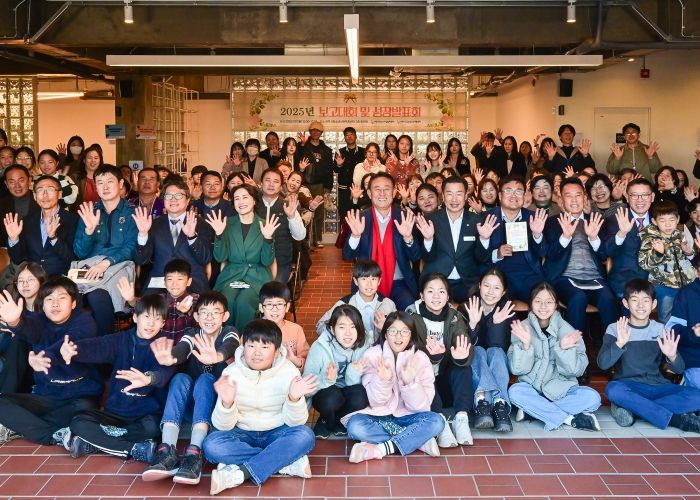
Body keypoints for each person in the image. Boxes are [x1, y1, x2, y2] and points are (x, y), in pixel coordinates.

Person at [35, 293, 173, 462]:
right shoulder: (121, 339)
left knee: (153, 428)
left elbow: (165, 371)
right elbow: (97, 346)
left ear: (163, 323)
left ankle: (95, 443)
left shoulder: (165, 345)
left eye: (157, 319)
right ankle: (134, 449)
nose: (151, 323)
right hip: (114, 413)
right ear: (135, 318)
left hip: (145, 414)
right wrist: (74, 350)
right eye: (146, 317)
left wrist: (149, 379)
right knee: (78, 422)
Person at [203, 319, 318, 495]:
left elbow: (296, 422)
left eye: (265, 347)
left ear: (276, 351)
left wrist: (294, 398)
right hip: (242, 434)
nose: (257, 353)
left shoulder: (289, 372)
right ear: (243, 347)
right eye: (251, 346)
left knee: (305, 435)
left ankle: (241, 473)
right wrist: (227, 403)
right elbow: (222, 426)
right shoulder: (231, 373)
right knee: (212, 445)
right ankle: (283, 462)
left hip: (277, 432)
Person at [144, 291, 240, 484]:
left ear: (225, 316)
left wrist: (217, 356)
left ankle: (194, 452)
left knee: (205, 379)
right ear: (196, 316)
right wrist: (171, 358)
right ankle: (167, 451)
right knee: (180, 378)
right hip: (191, 406)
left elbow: (231, 345)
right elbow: (183, 348)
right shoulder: (192, 334)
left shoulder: (230, 331)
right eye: (204, 312)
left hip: (217, 409)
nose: (209, 317)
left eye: (215, 312)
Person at [0, 278, 103, 445]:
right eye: (49, 299)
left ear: (73, 303)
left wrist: (45, 358)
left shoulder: (84, 320)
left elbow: (67, 344)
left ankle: (24, 426)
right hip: (46, 396)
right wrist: (14, 322)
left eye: (62, 298)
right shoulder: (39, 321)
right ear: (43, 305)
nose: (55, 304)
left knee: (83, 411)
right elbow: (27, 327)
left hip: (80, 395)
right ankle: (54, 435)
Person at [342, 311, 445, 462]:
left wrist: (409, 383)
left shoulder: (421, 359)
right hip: (379, 416)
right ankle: (416, 440)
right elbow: (375, 402)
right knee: (355, 426)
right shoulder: (373, 355)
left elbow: (421, 407)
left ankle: (380, 449)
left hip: (409, 416)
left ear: (411, 335)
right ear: (385, 334)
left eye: (404, 331)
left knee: (437, 421)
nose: (398, 336)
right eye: (393, 331)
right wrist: (384, 380)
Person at [598, 279, 700, 431]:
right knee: (612, 390)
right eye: (634, 300)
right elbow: (603, 363)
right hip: (629, 385)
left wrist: (672, 356)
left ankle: (633, 409)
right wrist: (619, 344)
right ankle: (676, 420)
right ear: (626, 303)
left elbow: (679, 369)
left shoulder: (661, 330)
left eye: (646, 300)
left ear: (654, 304)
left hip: (659, 387)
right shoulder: (616, 329)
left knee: (697, 395)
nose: (640, 305)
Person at [508, 283, 602, 431]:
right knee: (514, 392)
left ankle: (534, 411)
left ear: (556, 305)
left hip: (562, 391)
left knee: (593, 398)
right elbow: (517, 370)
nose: (543, 306)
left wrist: (564, 350)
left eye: (549, 302)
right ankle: (569, 419)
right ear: (531, 304)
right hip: (532, 388)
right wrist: (526, 346)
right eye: (538, 301)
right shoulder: (522, 328)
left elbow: (575, 371)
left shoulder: (568, 331)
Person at [407, 273, 474, 447]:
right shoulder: (410, 317)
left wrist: (461, 357)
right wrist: (433, 358)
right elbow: (408, 357)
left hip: (445, 385)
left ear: (448, 296)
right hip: (424, 388)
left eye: (441, 291)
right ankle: (440, 423)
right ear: (422, 295)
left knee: (463, 368)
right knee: (422, 374)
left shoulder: (455, 317)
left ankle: (461, 419)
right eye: (430, 291)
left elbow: (464, 343)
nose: (436, 296)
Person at [543, 177, 617, 335]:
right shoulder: (552, 222)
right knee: (578, 298)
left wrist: (593, 238)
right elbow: (550, 254)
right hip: (565, 278)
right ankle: (575, 346)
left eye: (578, 195)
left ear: (585, 197)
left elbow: (604, 254)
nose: (574, 200)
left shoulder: (596, 220)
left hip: (594, 277)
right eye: (568, 196)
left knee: (608, 299)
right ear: (561, 200)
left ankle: (612, 345)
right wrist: (565, 236)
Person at [73, 164, 137, 334]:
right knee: (68, 295)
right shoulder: (89, 212)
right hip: (90, 268)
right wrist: (88, 231)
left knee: (97, 297)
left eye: (110, 181)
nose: (105, 187)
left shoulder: (133, 212)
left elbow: (131, 247)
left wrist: (106, 263)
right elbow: (79, 252)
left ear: (121, 184)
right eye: (100, 183)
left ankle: (104, 345)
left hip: (119, 267)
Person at [205, 184, 279, 332]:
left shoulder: (265, 225)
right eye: (237, 198)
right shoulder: (226, 223)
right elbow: (220, 257)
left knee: (244, 302)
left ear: (254, 200)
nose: (241, 202)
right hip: (232, 274)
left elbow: (266, 261)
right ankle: (227, 340)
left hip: (257, 275)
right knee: (227, 300)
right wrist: (218, 235)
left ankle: (245, 339)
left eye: (245, 197)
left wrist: (268, 238)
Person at [343, 172, 421, 310]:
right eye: (377, 189)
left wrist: (408, 237)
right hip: (367, 284)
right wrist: (355, 236)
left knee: (409, 311)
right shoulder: (360, 218)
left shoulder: (405, 218)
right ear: (369, 193)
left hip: (399, 283)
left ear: (394, 192)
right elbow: (347, 255)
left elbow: (415, 256)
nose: (382, 193)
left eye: (387, 189)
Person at [415, 176, 498, 303]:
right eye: (449, 194)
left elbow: (482, 258)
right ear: (443, 196)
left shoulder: (477, 221)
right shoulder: (430, 220)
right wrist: (428, 239)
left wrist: (484, 239)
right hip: (437, 281)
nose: (454, 199)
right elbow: (427, 258)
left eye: (459, 194)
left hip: (467, 282)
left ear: (465, 196)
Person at [459, 269, 515, 432]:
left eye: (497, 288)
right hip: (474, 361)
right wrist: (473, 324)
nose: (490, 292)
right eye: (486, 285)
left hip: (497, 362)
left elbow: (499, 346)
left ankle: (490, 404)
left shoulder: (506, 310)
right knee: (478, 351)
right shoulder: (467, 307)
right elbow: (465, 345)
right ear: (479, 286)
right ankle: (492, 402)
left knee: (496, 352)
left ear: (503, 292)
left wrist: (496, 324)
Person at [134, 177, 213, 294]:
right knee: (148, 304)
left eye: (179, 196)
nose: (173, 199)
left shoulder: (201, 224)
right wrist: (143, 234)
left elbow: (205, 259)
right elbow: (141, 260)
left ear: (187, 200)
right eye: (168, 196)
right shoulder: (154, 224)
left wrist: (192, 236)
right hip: (160, 280)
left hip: (191, 281)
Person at [304, 304, 371, 439]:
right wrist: (325, 380)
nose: (348, 333)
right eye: (342, 327)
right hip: (326, 394)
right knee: (331, 397)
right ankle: (326, 420)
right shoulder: (320, 346)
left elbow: (365, 382)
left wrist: (352, 373)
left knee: (361, 395)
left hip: (348, 392)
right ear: (332, 329)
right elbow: (307, 384)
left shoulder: (364, 346)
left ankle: (340, 420)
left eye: (353, 326)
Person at [486, 175, 548, 302]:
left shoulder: (534, 217)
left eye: (519, 191)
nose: (514, 195)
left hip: (529, 275)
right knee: (498, 304)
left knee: (544, 300)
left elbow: (543, 252)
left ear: (524, 196)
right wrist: (497, 253)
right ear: (500, 195)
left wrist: (537, 234)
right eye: (508, 191)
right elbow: (479, 255)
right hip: (499, 275)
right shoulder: (487, 218)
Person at [5, 175, 78, 277]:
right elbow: (17, 259)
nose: (45, 195)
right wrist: (14, 239)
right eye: (40, 190)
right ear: (35, 196)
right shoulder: (27, 221)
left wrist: (53, 238)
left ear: (60, 194)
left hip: (61, 279)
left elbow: (74, 259)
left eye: (50, 189)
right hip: (33, 279)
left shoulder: (73, 220)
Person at [638, 201, 695, 323]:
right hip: (663, 284)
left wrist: (689, 252)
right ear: (654, 221)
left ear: (678, 219)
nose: (668, 225)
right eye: (662, 221)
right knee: (666, 315)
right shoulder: (650, 239)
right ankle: (666, 334)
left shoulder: (681, 235)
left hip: (687, 282)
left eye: (672, 220)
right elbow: (644, 264)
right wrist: (658, 254)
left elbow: (691, 259)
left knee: (692, 312)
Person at [316, 259, 396, 345]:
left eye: (373, 279)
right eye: (364, 279)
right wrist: (340, 331)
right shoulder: (344, 304)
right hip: (353, 350)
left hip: (380, 350)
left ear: (379, 281)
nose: (369, 284)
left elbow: (398, 332)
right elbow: (320, 326)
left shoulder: (388, 304)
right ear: (355, 281)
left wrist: (386, 328)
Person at [118, 259, 199, 343]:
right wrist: (131, 299)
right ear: (164, 282)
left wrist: (186, 310)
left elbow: (197, 309)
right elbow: (141, 305)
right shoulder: (158, 299)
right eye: (170, 279)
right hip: (159, 347)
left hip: (185, 348)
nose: (174, 284)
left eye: (180, 279)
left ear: (188, 281)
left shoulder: (194, 298)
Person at [603, 177, 655, 297]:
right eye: (634, 195)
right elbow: (608, 252)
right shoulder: (615, 219)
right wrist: (621, 233)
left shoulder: (660, 219)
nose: (640, 199)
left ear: (652, 197)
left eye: (645, 195)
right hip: (625, 281)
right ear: (627, 197)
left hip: (656, 280)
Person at [257, 168, 306, 284]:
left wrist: (291, 217)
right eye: (267, 180)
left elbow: (300, 236)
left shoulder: (288, 206)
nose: (271, 184)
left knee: (275, 289)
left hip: (280, 261)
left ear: (281, 187)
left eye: (276, 181)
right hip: (255, 261)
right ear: (261, 183)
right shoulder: (252, 205)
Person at [258, 281, 309, 371]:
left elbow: (308, 362)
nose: (274, 309)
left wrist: (294, 360)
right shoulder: (252, 330)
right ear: (261, 307)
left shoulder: (296, 330)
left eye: (279, 304)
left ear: (287, 307)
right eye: (269, 304)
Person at [667, 255, 700, 388]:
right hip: (695, 360)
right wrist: (694, 334)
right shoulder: (686, 294)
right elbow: (673, 330)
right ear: (697, 272)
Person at [300, 121, 333, 248]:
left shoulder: (326, 150)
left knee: (319, 212)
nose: (315, 132)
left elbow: (329, 169)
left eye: (318, 130)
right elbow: (297, 160)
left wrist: (328, 187)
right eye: (313, 130)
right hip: (305, 184)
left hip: (319, 184)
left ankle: (317, 239)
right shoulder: (303, 147)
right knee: (304, 211)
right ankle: (305, 239)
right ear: (310, 132)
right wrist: (302, 145)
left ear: (321, 133)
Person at [0, 164, 39, 247]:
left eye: (21, 181)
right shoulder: (2, 204)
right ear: (6, 184)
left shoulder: (41, 201)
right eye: (12, 182)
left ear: (29, 180)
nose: (17, 186)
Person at [334, 127, 365, 221]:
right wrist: (339, 165)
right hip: (344, 189)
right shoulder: (340, 152)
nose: (349, 137)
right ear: (344, 138)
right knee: (344, 214)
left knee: (360, 214)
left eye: (351, 134)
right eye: (347, 135)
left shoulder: (363, 152)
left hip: (359, 189)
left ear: (356, 136)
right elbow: (335, 170)